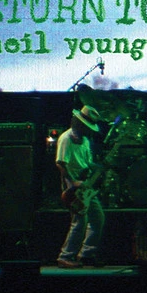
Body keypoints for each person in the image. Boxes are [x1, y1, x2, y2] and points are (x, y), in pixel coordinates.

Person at [56, 104, 106, 268]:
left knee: (97, 218)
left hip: (85, 185)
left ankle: (87, 254)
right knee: (80, 221)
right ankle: (66, 256)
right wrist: (72, 182)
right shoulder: (66, 138)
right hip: (73, 185)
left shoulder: (85, 140)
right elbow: (61, 163)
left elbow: (87, 162)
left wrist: (98, 168)